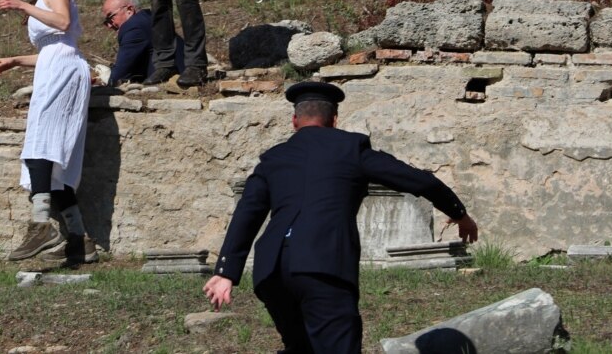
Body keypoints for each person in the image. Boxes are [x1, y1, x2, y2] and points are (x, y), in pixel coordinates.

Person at [202, 81, 479, 354]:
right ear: (335, 119)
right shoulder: (351, 149)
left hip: (272, 272)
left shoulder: (274, 158)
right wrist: (460, 214)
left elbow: (247, 212)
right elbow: (420, 181)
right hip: (323, 265)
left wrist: (226, 272)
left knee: (300, 347)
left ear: (294, 120)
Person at [0, 0, 98, 266]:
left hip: (63, 72)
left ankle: (41, 225)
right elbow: (54, 47)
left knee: (40, 146)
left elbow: (63, 24)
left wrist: (22, 6)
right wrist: (16, 60)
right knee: (50, 154)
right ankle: (80, 240)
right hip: (54, 67)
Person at [101, 0, 184, 85]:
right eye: (106, 22)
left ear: (129, 10)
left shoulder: (134, 28)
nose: (109, 25)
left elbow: (117, 77)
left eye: (110, 17)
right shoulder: (148, 18)